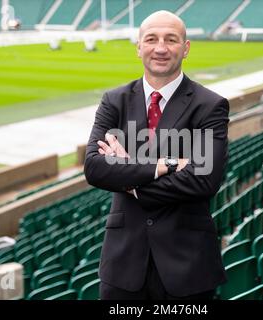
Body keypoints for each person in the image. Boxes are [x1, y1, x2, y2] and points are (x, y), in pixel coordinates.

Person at [84, 10, 229, 300]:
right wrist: (167, 165)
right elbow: (95, 168)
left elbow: (203, 181)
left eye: (171, 40)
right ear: (139, 47)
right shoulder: (114, 101)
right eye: (151, 39)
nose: (160, 48)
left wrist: (130, 177)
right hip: (123, 266)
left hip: (187, 266)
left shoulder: (210, 105)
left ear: (185, 48)